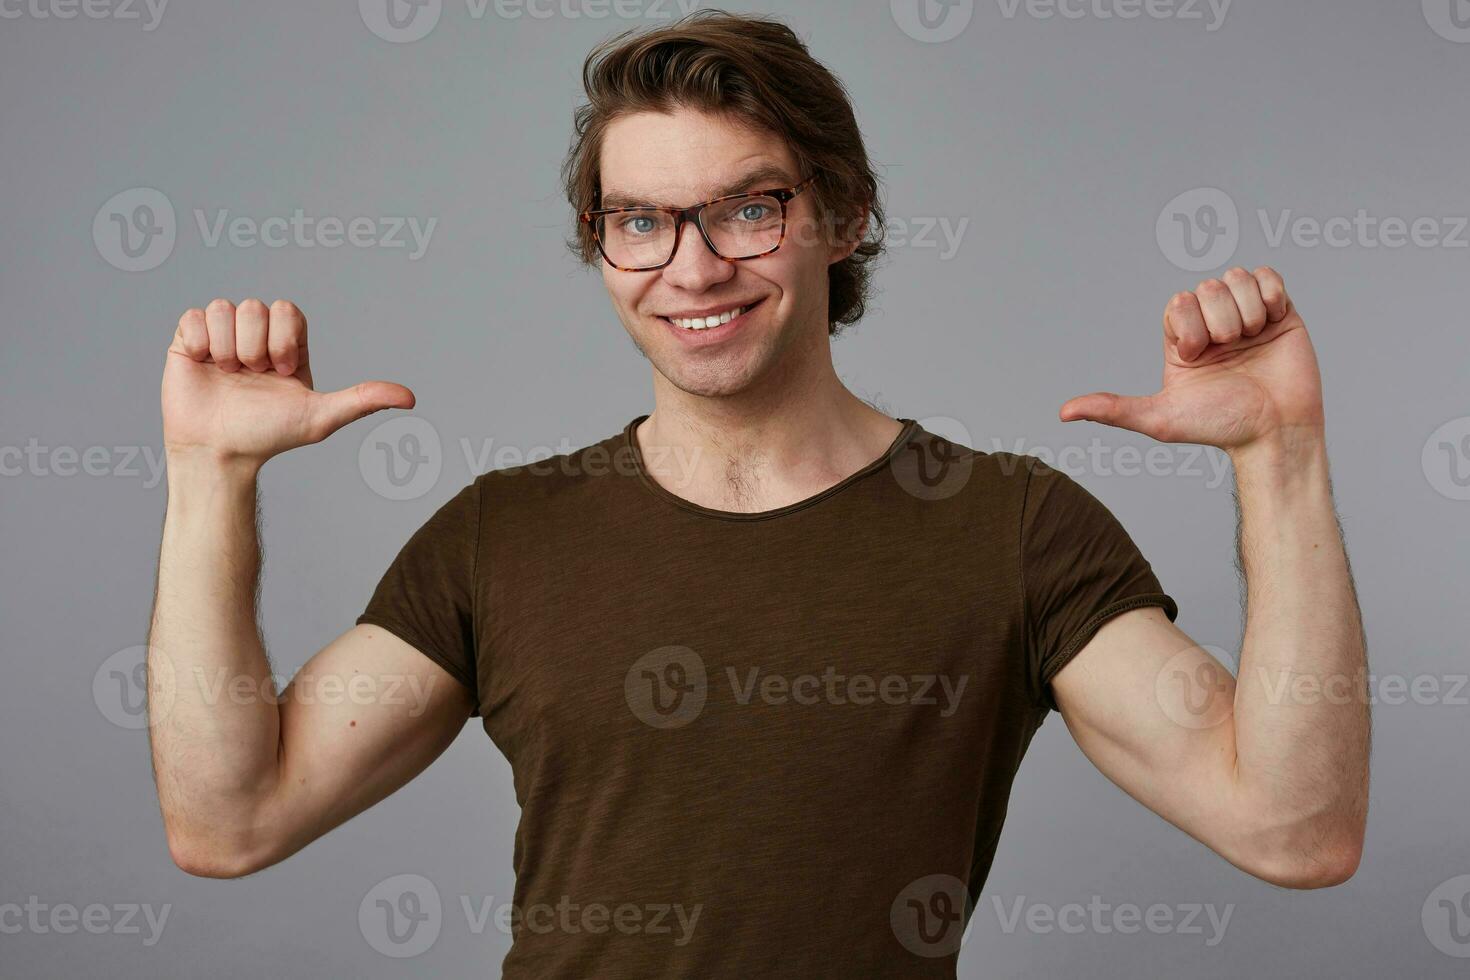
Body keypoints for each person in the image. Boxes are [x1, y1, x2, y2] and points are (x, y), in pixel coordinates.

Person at [146, 10, 1368, 976]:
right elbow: (232, 818)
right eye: (640, 219)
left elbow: (1293, 826)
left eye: (746, 207)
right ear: (601, 243)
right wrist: (210, 478)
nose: (692, 266)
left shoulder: (1011, 527)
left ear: (843, 216)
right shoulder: (500, 534)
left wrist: (1282, 459)